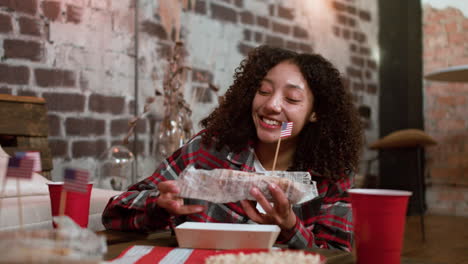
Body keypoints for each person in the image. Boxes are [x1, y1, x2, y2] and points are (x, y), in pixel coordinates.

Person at [102, 45, 362, 251]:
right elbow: (114, 213)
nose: (271, 105)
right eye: (263, 91)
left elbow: (337, 255)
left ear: (315, 113)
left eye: (291, 98)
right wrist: (159, 204)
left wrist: (290, 227)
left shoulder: (332, 174)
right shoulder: (208, 149)